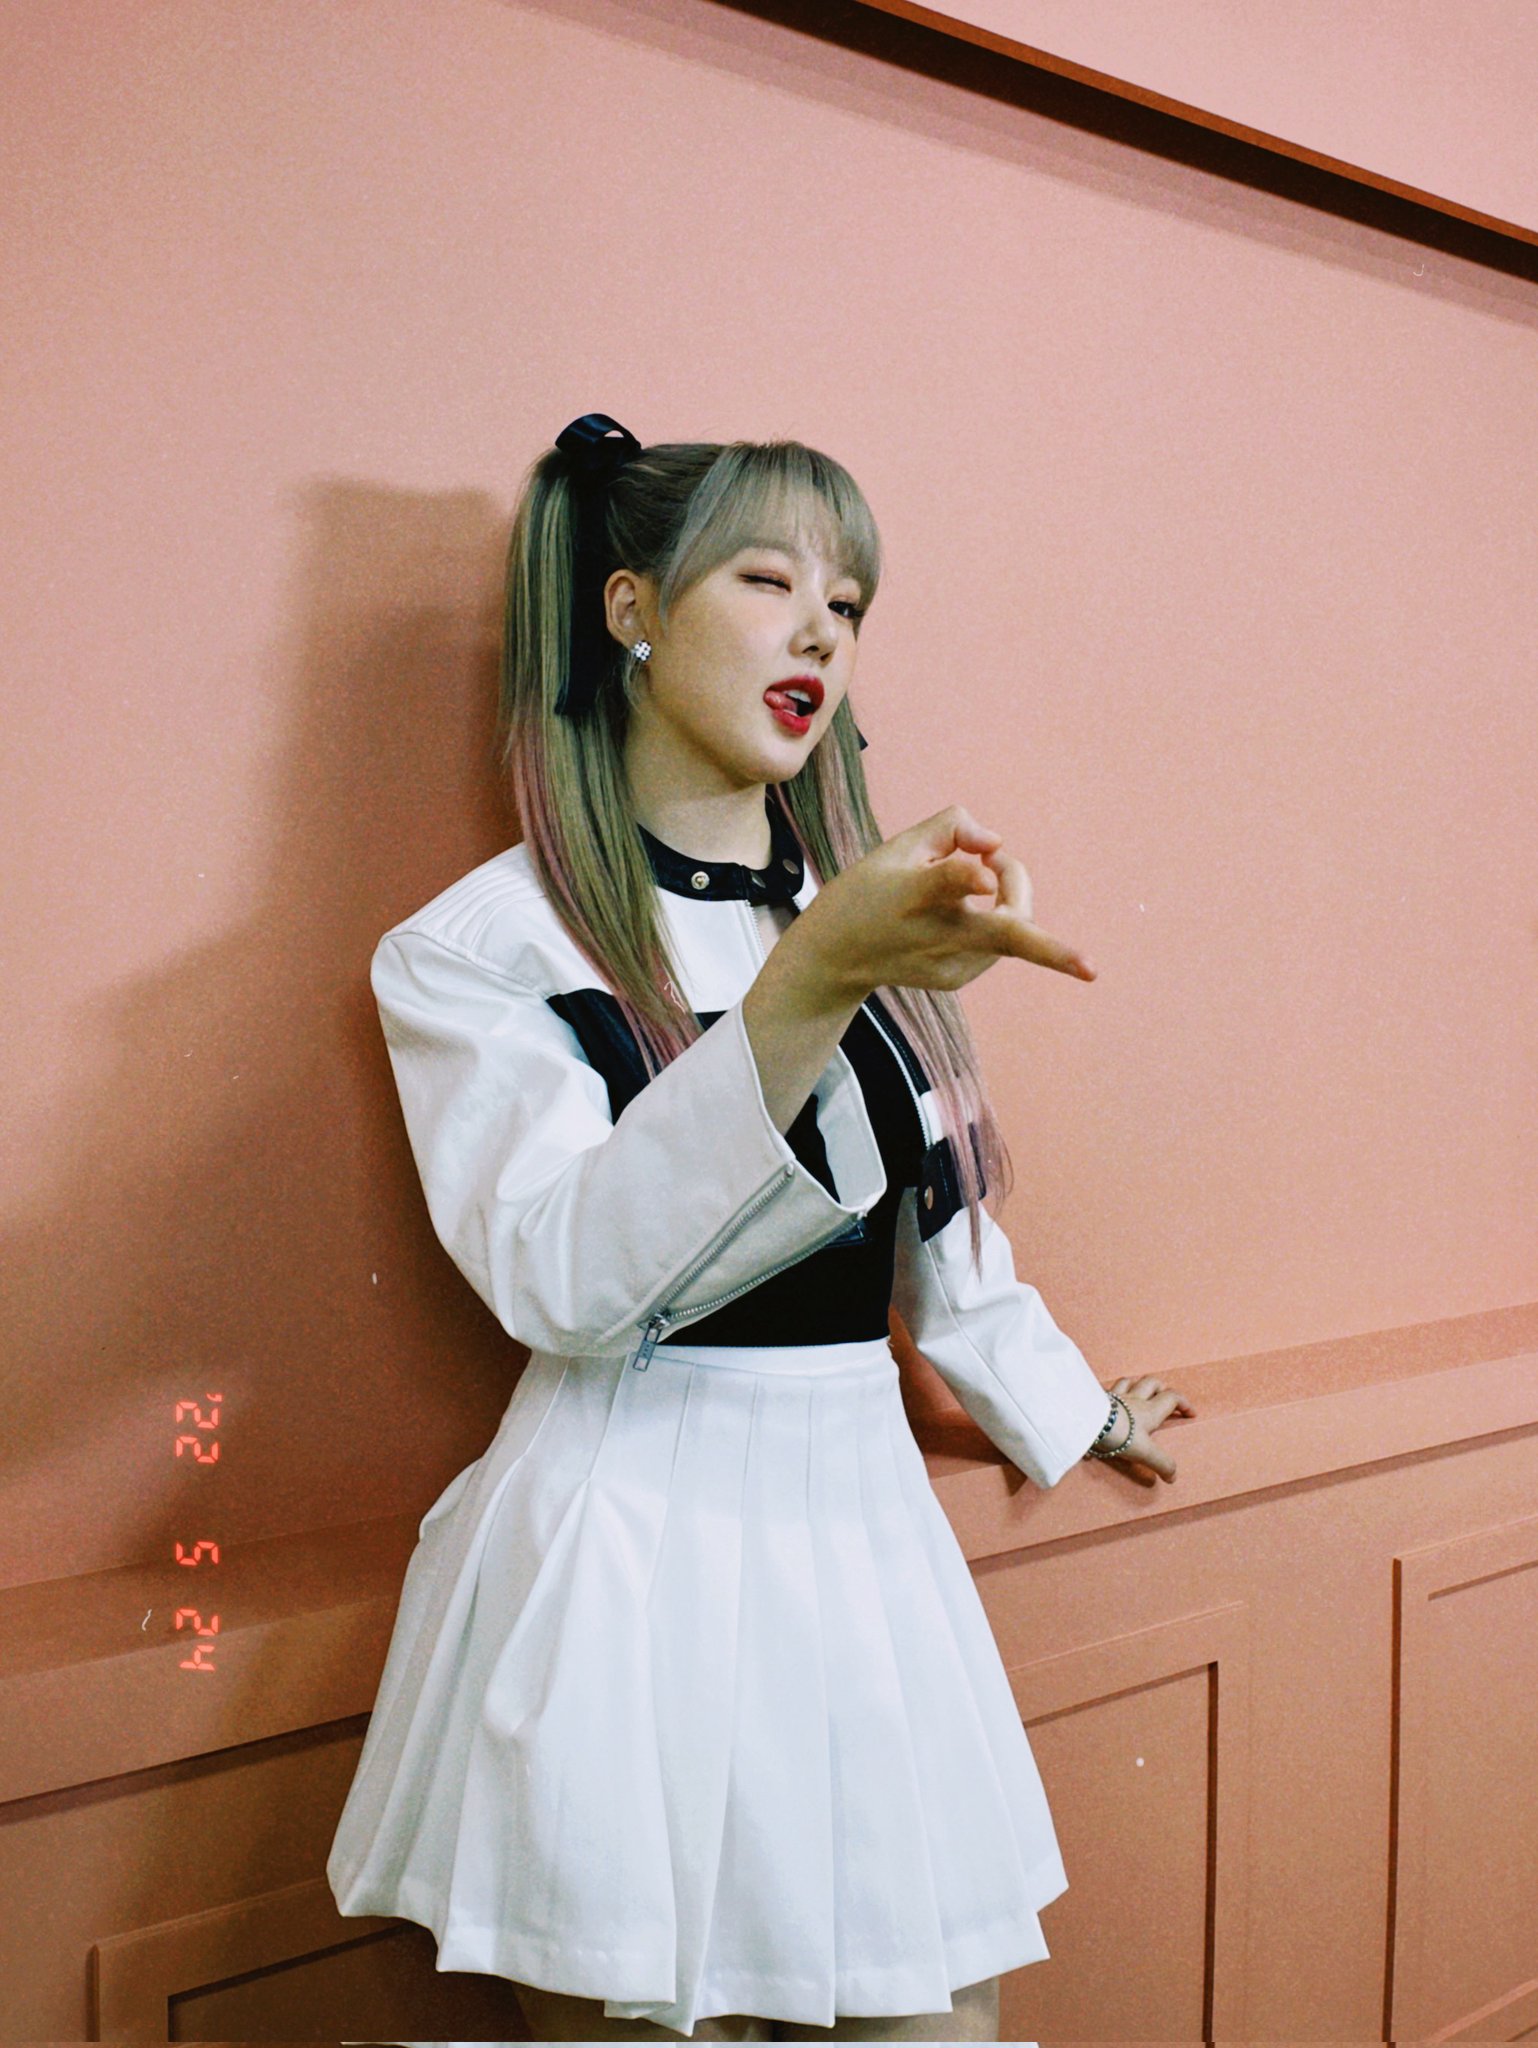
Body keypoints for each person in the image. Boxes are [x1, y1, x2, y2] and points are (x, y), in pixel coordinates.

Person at [325, 414, 1193, 2043]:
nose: (819, 632)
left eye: (846, 602)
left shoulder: (855, 913)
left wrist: (1073, 1411)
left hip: (861, 1538)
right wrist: (817, 982)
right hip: (623, 1544)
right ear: (632, 609)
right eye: (767, 580)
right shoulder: (477, 951)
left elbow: (941, 1238)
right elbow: (563, 1279)